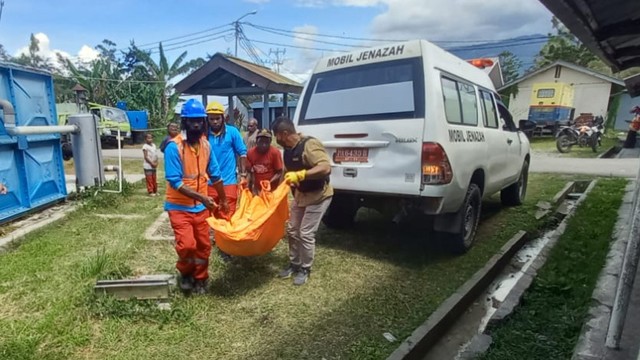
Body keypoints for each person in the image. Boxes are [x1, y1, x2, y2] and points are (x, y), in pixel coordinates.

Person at [164, 99, 229, 295]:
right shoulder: (173, 147)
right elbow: (175, 181)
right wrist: (202, 198)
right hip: (179, 207)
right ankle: (185, 273)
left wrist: (223, 200)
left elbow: (216, 175)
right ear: (184, 122)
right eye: (191, 121)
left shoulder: (206, 146)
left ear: (204, 122)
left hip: (201, 209)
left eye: (199, 121)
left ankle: (201, 278)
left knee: (203, 245)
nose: (196, 125)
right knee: (187, 246)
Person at [271, 117, 332, 286]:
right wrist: (275, 190)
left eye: (277, 136)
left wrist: (302, 175)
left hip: (318, 195)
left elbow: (325, 167)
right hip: (300, 195)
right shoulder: (288, 149)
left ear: (285, 133)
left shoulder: (309, 145)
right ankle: (294, 263)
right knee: (292, 229)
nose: (277, 140)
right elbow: (286, 170)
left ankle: (305, 268)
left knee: (305, 232)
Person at [205, 101, 248, 219]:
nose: (214, 121)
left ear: (223, 118)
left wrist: (243, 174)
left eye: (217, 118)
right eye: (211, 119)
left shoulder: (232, 132)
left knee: (227, 216)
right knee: (209, 217)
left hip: (228, 182)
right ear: (207, 119)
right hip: (209, 183)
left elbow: (242, 152)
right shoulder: (203, 135)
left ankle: (224, 238)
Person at [246, 129, 284, 194]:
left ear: (270, 142)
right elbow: (249, 172)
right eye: (261, 142)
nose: (263, 145)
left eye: (266, 142)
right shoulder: (250, 153)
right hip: (257, 189)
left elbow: (279, 172)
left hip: (271, 189)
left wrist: (269, 182)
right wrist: (249, 187)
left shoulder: (275, 153)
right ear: (256, 141)